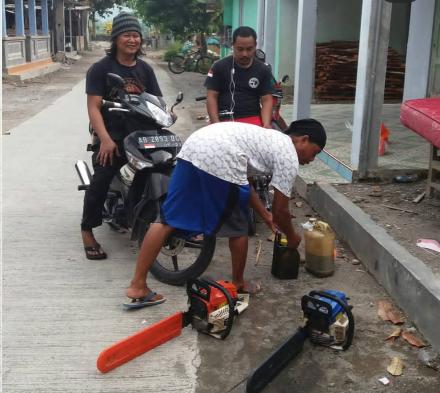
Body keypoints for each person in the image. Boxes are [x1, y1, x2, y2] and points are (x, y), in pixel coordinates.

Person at [125, 119, 326, 308]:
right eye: (314, 152)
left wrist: (265, 216)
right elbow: (281, 210)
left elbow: (244, 183)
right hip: (221, 157)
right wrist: (292, 236)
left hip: (194, 147)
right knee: (238, 227)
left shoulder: (269, 138)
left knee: (167, 219)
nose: (311, 159)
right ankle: (238, 283)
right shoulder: (288, 154)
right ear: (303, 140)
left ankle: (137, 285)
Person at [81, 12, 162, 260]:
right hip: (112, 134)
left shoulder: (145, 69)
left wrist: (167, 114)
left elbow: (157, 100)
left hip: (142, 133)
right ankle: (87, 230)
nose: (132, 40)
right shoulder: (101, 69)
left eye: (136, 35)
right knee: (103, 175)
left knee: (167, 167)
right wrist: (104, 139)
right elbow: (94, 106)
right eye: (127, 35)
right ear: (116, 38)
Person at [205, 26, 273, 128]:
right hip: (224, 120)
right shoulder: (219, 67)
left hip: (252, 119)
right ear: (233, 45)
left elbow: (266, 99)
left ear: (255, 46)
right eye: (240, 49)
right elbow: (211, 96)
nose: (244, 54)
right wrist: (216, 124)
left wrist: (266, 124)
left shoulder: (263, 69)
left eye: (249, 49)